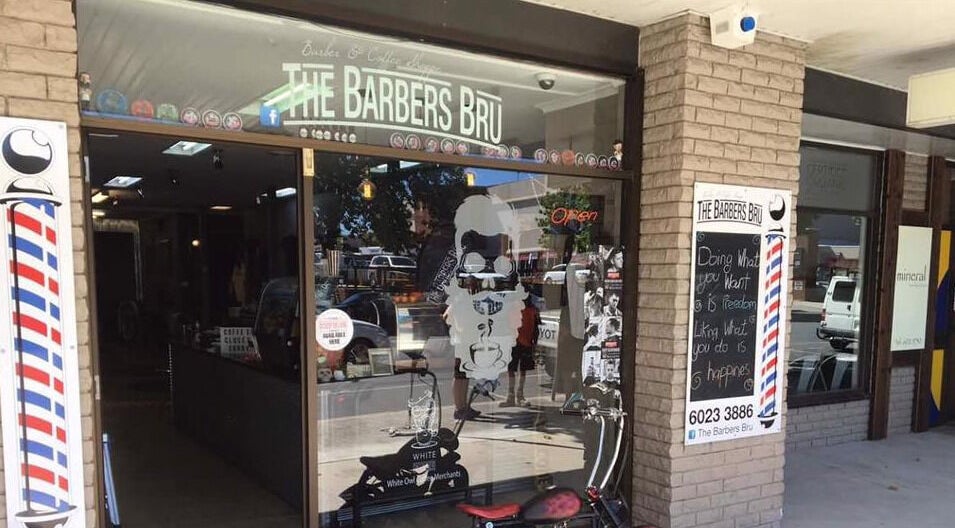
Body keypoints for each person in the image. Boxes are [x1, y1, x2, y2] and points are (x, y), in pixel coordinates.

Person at [502, 295, 540, 407]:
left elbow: (536, 327)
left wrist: (534, 344)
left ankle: (519, 395)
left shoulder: (532, 309)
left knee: (522, 369)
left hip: (526, 341)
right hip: (514, 340)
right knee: (512, 368)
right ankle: (511, 395)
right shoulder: (513, 307)